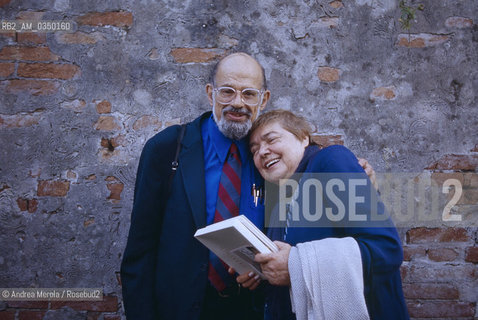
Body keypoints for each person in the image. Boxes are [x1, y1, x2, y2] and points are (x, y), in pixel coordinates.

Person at [121, 52, 377, 320]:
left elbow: (309, 165)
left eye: (249, 94)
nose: (238, 103)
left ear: (263, 99)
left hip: (252, 310)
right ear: (211, 94)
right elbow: (140, 253)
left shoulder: (268, 156)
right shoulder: (166, 150)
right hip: (178, 309)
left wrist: (358, 175)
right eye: (227, 92)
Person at [247, 110, 409, 320]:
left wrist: (296, 264)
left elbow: (386, 250)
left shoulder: (331, 160)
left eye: (272, 140)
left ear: (303, 138)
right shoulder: (280, 203)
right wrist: (261, 273)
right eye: (254, 150)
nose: (262, 152)